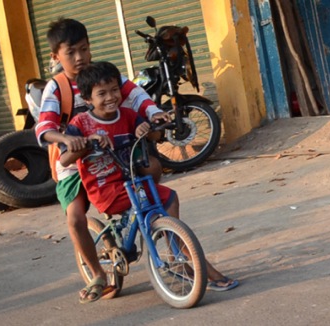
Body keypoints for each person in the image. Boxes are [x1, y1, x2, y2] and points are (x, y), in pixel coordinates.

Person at [33, 19, 234, 304]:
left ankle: (174, 244)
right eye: (71, 53)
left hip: (114, 151)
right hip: (75, 157)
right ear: (56, 57)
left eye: (84, 49)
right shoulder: (58, 89)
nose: (79, 58)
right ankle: (98, 274)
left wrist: (154, 115)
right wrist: (67, 140)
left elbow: (139, 97)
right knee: (76, 218)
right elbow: (43, 129)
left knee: (152, 174)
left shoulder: (106, 77)